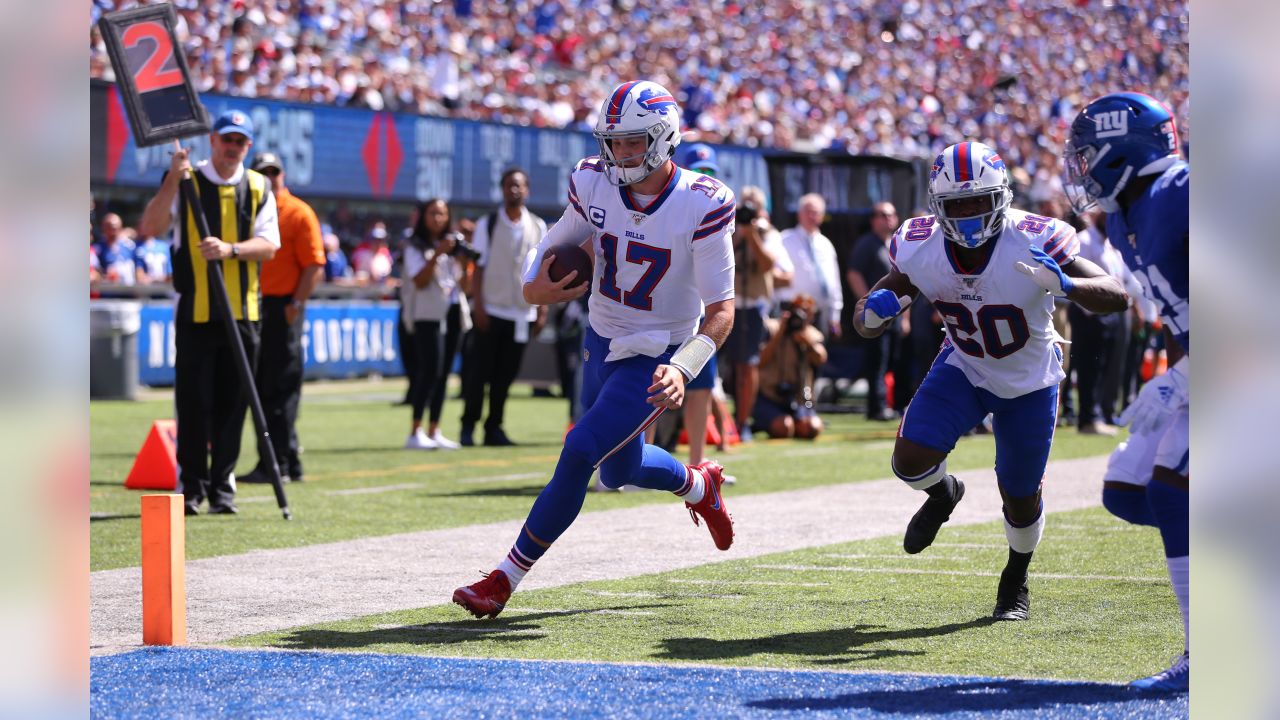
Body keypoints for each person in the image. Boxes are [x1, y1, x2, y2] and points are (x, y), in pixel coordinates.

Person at [453, 80, 736, 619]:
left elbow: (723, 313)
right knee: (617, 471)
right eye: (615, 142)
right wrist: (532, 283)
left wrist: (682, 366)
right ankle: (700, 485)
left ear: (663, 138)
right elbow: (557, 240)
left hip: (658, 348)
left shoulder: (703, 203)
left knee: (581, 450)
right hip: (600, 336)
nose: (620, 153)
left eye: (633, 142)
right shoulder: (593, 180)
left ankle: (503, 579)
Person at [854, 141, 1128, 621]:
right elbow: (862, 320)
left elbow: (1116, 295)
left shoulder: (1036, 238)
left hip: (1030, 379)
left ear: (1002, 197)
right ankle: (944, 495)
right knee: (909, 461)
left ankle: (1016, 575)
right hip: (965, 363)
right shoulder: (918, 245)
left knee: (1019, 497)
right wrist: (870, 314)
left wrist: (1068, 286)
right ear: (938, 208)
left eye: (979, 202)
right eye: (957, 205)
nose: (968, 216)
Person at [1065, 92, 1190, 691]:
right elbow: (1177, 314)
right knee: (1127, 488)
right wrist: (1177, 381)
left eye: (1090, 156)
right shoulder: (1125, 216)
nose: (1082, 170)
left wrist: (1183, 383)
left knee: (1173, 489)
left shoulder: (1183, 193)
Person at [137, 110, 280, 516]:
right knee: (194, 402)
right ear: (213, 141)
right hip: (196, 312)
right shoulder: (187, 182)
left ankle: (223, 486)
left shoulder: (257, 186)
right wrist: (171, 179)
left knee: (233, 403)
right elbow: (150, 224)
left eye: (240, 142)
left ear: (247, 147)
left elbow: (270, 245)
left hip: (243, 312)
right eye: (226, 139)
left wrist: (230, 250)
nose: (232, 147)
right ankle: (193, 485)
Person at [236, 152, 324, 485]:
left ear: (283, 175)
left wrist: (295, 305)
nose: (270, 178)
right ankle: (282, 459)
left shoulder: (298, 212)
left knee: (280, 387)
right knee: (260, 387)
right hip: (254, 305)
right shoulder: (249, 209)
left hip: (281, 306)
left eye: (274, 172)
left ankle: (281, 462)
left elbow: (314, 265)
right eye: (262, 173)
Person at [460, 168, 548, 447]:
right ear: (502, 190)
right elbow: (479, 269)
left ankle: (494, 427)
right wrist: (480, 307)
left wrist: (541, 309)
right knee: (479, 373)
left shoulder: (538, 226)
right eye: (510, 185)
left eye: (519, 186)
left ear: (528, 191)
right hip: (492, 309)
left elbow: (544, 269)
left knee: (505, 376)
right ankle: (468, 425)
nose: (514, 190)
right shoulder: (488, 224)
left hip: (522, 312)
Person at [402, 199, 466, 450]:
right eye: (432, 213)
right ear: (423, 216)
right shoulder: (413, 245)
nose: (437, 218)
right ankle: (415, 431)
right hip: (426, 313)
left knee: (443, 373)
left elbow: (464, 286)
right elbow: (418, 280)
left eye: (442, 214)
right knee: (428, 371)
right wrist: (438, 253)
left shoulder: (452, 247)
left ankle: (434, 429)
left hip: (452, 311)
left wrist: (465, 260)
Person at [847, 202, 903, 421]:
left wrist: (905, 317)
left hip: (896, 317)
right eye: (881, 215)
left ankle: (893, 403)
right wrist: (866, 304)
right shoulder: (867, 244)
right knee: (877, 362)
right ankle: (876, 407)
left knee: (893, 361)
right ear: (873, 220)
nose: (887, 218)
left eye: (890, 214)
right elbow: (854, 274)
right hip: (876, 316)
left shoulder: (896, 244)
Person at [754, 294, 827, 439]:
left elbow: (821, 358)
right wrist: (781, 332)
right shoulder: (772, 327)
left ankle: (796, 422)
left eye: (807, 311)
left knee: (813, 428)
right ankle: (765, 422)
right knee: (784, 428)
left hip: (798, 397)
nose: (802, 315)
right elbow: (760, 361)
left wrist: (806, 341)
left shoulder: (811, 334)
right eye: (799, 310)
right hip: (769, 395)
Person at [777, 193, 842, 339]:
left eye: (816, 213)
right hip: (791, 312)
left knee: (817, 358)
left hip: (819, 313)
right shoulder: (784, 239)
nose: (812, 216)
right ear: (799, 214)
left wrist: (835, 316)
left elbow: (835, 283)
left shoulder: (826, 244)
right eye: (808, 211)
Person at [92, 213, 138, 285]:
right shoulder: (98, 248)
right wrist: (104, 276)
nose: (112, 231)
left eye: (115, 227)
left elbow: (138, 268)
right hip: (108, 290)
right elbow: (95, 270)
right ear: (103, 228)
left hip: (128, 290)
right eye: (109, 227)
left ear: (120, 228)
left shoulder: (130, 246)